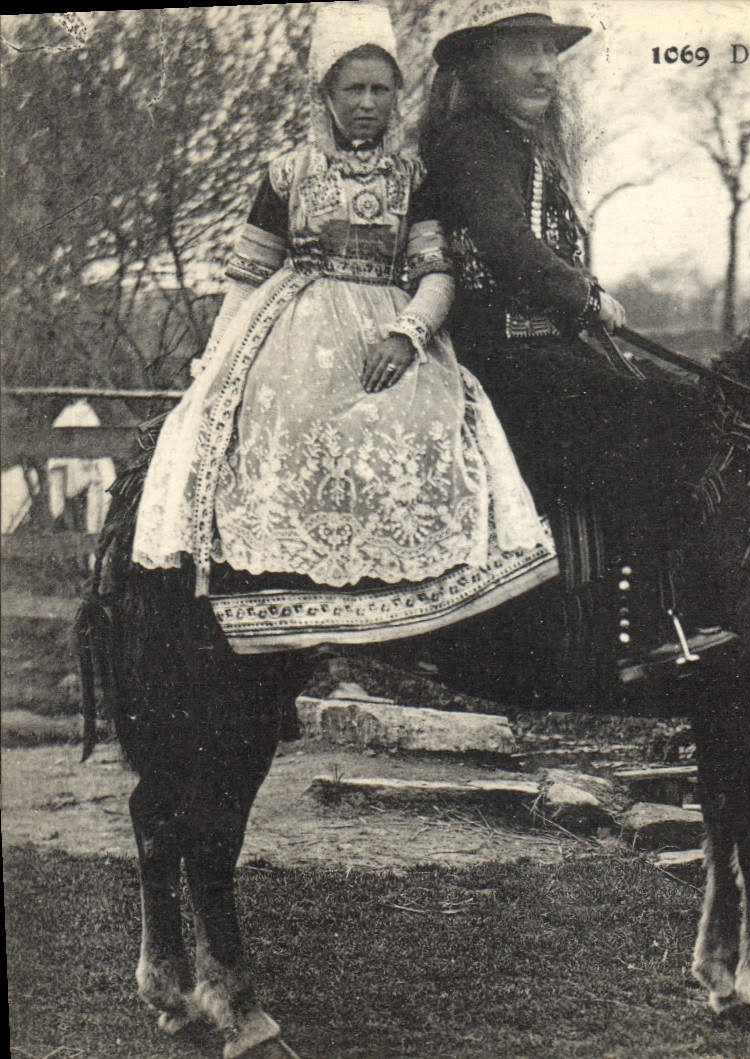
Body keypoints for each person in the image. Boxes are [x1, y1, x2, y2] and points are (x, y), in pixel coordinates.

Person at [133, 2, 556, 654]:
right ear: (325, 93)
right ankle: (277, 581)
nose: (367, 104)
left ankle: (409, 599)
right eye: (352, 88)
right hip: (291, 327)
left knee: (423, 425)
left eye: (380, 90)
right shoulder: (286, 174)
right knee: (283, 420)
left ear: (397, 96)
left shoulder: (414, 178)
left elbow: (435, 274)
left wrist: (407, 334)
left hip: (390, 323)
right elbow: (248, 275)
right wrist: (214, 365)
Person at [418, 1, 733, 682]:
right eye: (522, 51)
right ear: (476, 64)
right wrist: (585, 296)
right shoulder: (475, 140)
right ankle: (640, 627)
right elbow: (505, 244)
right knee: (656, 418)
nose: (543, 68)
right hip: (502, 354)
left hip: (545, 350)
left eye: (550, 51)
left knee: (685, 399)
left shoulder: (519, 142)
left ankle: (676, 607)